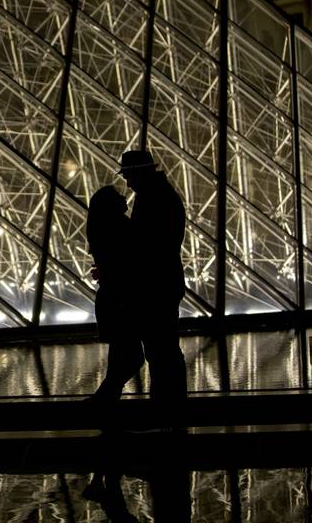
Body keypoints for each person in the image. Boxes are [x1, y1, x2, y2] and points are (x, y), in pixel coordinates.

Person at [117, 150, 187, 421]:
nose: (128, 183)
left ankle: (168, 411)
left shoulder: (153, 198)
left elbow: (145, 244)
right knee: (164, 349)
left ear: (141, 172)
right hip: (164, 282)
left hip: (156, 285)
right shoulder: (160, 194)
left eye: (129, 175)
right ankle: (170, 409)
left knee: (161, 351)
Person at [86, 185, 144, 402]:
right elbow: (128, 263)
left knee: (121, 355)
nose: (124, 197)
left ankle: (106, 400)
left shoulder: (101, 229)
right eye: (118, 196)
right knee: (131, 356)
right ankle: (105, 399)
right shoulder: (118, 227)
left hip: (112, 299)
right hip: (121, 300)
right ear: (110, 206)